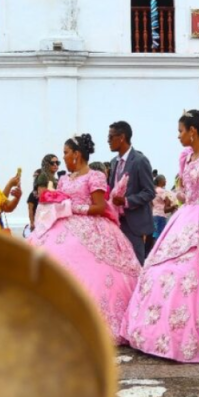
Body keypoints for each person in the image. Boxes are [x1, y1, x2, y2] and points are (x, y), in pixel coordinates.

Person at [122, 110, 199, 362]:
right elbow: (185, 186)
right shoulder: (187, 157)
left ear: (193, 131)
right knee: (162, 271)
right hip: (185, 217)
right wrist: (180, 194)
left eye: (180, 131)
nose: (178, 136)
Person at [27, 134, 140, 342]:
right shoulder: (62, 179)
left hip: (92, 227)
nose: (63, 158)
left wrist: (72, 208)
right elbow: (60, 199)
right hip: (62, 225)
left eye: (66, 153)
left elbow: (99, 206)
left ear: (77, 155)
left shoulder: (94, 176)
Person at [108, 121, 156, 264]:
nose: (108, 141)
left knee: (135, 265)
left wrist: (127, 201)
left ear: (121, 137)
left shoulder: (140, 161)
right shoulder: (113, 162)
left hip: (134, 224)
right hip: (117, 222)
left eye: (110, 137)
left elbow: (149, 192)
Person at [151, 174, 176, 242]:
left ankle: (153, 250)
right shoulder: (162, 191)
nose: (166, 181)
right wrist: (173, 205)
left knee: (155, 235)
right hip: (161, 215)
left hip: (154, 214)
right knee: (160, 236)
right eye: (164, 179)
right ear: (161, 181)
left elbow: (151, 204)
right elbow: (168, 202)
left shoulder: (153, 190)